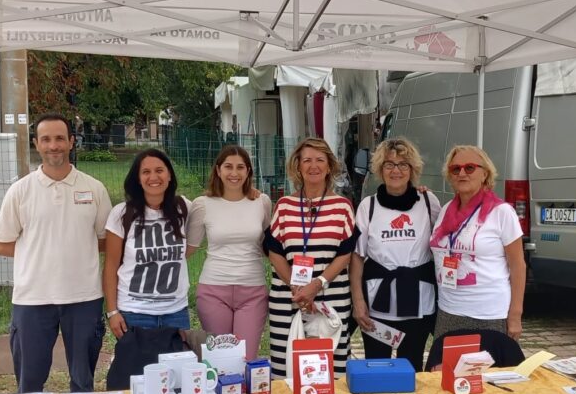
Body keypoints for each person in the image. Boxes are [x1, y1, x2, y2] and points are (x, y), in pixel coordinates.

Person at [0, 113, 112, 394]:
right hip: (33, 298)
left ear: (72, 142)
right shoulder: (20, 191)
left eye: (60, 138)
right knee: (30, 382)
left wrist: (72, 249)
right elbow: (3, 243)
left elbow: (105, 240)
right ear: (37, 144)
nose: (53, 145)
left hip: (84, 297)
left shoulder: (94, 189)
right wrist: (39, 252)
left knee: (83, 382)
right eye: (46, 139)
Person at [265, 138, 356, 377]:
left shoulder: (342, 206)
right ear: (298, 166)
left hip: (331, 298)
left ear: (329, 167)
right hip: (288, 298)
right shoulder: (284, 206)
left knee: (330, 369)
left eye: (319, 160)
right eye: (307, 160)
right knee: (287, 368)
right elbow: (274, 251)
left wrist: (316, 285)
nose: (313, 166)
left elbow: (345, 254)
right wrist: (298, 289)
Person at [350, 138, 441, 371]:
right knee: (377, 366)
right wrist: (358, 302)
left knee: (411, 368)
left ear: (413, 169)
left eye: (403, 164)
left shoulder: (428, 202)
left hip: (418, 300)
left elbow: (441, 249)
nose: (396, 170)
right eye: (389, 164)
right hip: (379, 301)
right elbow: (357, 258)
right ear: (380, 169)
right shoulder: (367, 206)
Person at [430, 144, 526, 341]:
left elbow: (518, 265)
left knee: (485, 371)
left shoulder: (502, 212)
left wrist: (515, 316)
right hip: (448, 310)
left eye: (470, 167)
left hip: (488, 314)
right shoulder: (446, 210)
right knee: (447, 371)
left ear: (485, 174)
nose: (462, 173)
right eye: (455, 169)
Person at [187, 146, 272, 359]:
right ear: (218, 170)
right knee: (220, 361)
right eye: (228, 167)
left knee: (246, 358)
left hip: (252, 291)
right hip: (214, 291)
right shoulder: (202, 204)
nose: (234, 173)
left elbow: (269, 246)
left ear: (248, 171)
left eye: (240, 167)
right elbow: (188, 249)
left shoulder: (262, 202)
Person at [103, 148, 192, 337]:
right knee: (136, 368)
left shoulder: (183, 208)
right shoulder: (121, 214)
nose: (153, 177)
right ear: (138, 178)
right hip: (134, 313)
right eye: (146, 172)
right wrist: (112, 311)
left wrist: (249, 190)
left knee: (178, 366)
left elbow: (216, 201)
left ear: (169, 175)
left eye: (159, 170)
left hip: (176, 313)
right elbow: (110, 267)